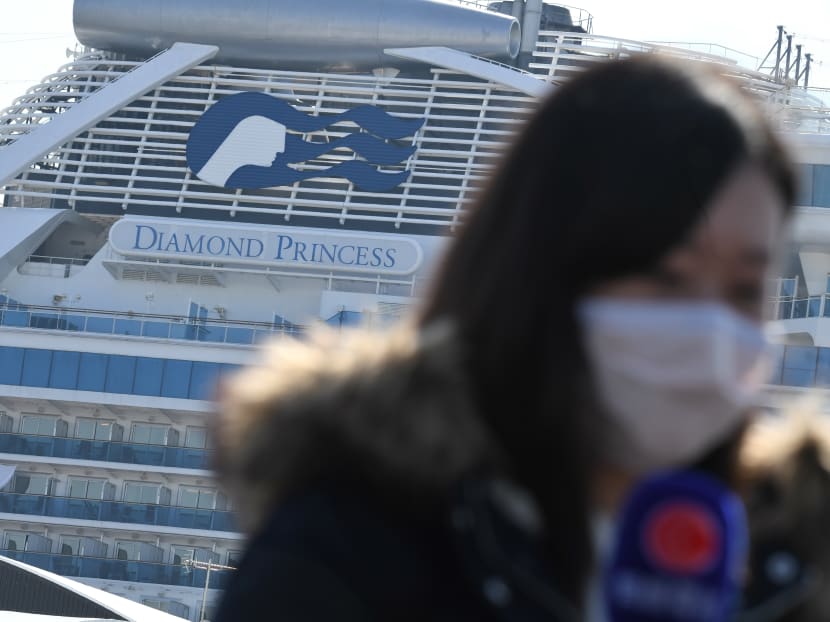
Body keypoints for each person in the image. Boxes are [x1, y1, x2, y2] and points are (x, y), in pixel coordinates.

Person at [211, 55, 797, 621]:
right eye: (664, 276)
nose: (707, 326)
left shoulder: (795, 571)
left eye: (746, 288)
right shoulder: (347, 558)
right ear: (545, 270)